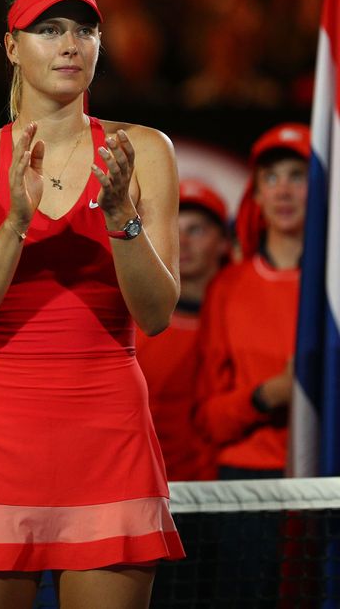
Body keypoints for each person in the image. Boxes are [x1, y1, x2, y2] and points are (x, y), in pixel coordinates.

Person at [0, 0, 184, 608]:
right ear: (12, 47)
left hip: (110, 441)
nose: (70, 44)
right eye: (50, 29)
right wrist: (14, 223)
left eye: (85, 30)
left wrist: (121, 219)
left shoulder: (145, 151)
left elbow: (155, 315)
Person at [193, 123, 309, 607]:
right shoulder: (229, 288)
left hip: (326, 475)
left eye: (298, 176)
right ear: (256, 194)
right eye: (271, 178)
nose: (283, 191)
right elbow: (208, 418)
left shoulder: (331, 292)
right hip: (249, 488)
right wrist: (266, 396)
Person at [135, 179, 230, 482]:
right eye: (174, 228)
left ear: (224, 242)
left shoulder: (240, 319)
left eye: (196, 230)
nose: (183, 241)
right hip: (147, 482)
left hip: (225, 487)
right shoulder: (135, 320)